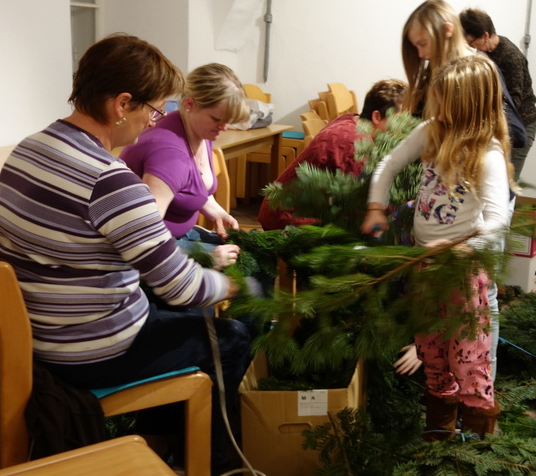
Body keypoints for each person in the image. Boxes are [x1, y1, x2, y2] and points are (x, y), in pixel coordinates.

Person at [0, 34, 252, 471]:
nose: (154, 121)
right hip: (87, 351)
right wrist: (230, 284)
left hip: (36, 334)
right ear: (122, 105)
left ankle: (159, 440)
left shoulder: (29, 147)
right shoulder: (109, 181)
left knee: (175, 316)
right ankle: (211, 463)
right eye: (154, 109)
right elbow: (183, 287)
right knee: (233, 338)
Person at [361, 54, 512, 440]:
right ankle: (439, 432)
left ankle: (479, 440)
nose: (435, 108)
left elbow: (497, 219)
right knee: (432, 353)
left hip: (461, 273)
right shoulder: (432, 131)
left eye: (444, 101)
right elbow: (390, 164)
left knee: (469, 358)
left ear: (468, 104)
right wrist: (376, 206)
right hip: (425, 266)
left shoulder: (488, 152)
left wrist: (465, 248)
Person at [120, 63, 249, 266]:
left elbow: (187, 186)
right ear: (190, 104)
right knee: (251, 272)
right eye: (217, 119)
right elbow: (143, 238)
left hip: (177, 236)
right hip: (154, 249)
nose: (223, 127)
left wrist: (216, 212)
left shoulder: (198, 128)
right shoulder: (169, 155)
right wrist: (207, 260)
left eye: (228, 120)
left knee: (249, 254)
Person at [257, 79, 406, 231]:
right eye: (400, 120)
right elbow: (368, 204)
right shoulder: (355, 145)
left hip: (286, 208)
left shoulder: (354, 120)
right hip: (289, 221)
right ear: (377, 117)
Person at [401, 0, 527, 149]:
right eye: (416, 47)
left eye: (423, 44)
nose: (420, 54)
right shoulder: (433, 73)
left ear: (447, 30)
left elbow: (516, 133)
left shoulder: (479, 72)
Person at [459, 7, 536, 181]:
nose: (471, 47)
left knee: (506, 184)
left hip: (520, 126)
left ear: (485, 35)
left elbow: (514, 102)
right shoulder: (485, 51)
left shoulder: (511, 57)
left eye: (472, 42)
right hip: (498, 126)